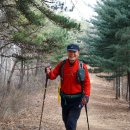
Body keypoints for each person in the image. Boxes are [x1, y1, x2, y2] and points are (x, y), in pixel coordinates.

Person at [45, 43, 91, 130]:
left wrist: (87, 95)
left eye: (74, 52)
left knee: (71, 122)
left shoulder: (82, 66)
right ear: (67, 53)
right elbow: (52, 76)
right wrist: (48, 72)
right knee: (66, 121)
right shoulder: (62, 65)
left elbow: (87, 82)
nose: (72, 54)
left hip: (78, 100)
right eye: (70, 51)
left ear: (78, 53)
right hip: (65, 99)